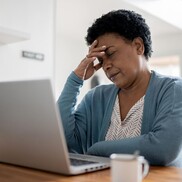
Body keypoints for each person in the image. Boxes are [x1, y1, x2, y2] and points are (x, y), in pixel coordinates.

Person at [57, 9, 182, 167]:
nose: (106, 66)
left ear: (138, 46)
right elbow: (66, 141)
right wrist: (75, 80)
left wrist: (97, 149)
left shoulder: (173, 89)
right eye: (101, 61)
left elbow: (163, 148)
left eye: (111, 53)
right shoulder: (96, 97)